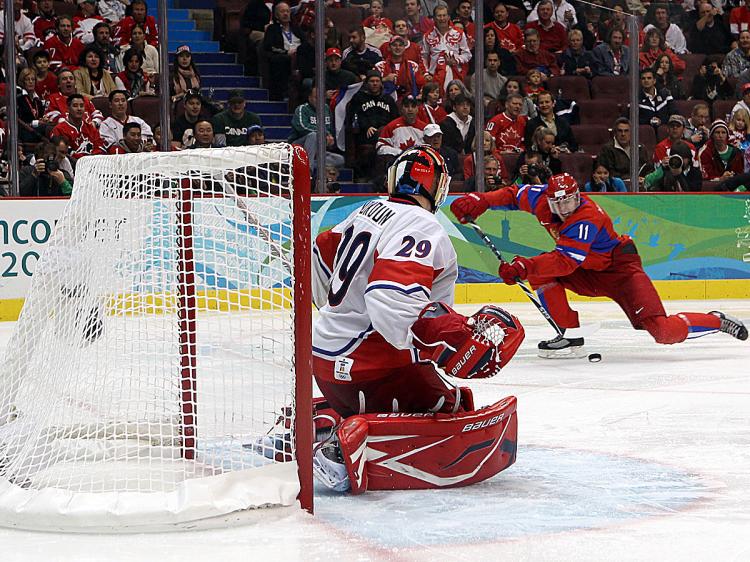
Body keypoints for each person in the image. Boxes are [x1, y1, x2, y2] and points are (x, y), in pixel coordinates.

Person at [311, 145, 524, 494]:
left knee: (437, 388)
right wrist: (453, 338)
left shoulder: (366, 211)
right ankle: (346, 445)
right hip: (373, 371)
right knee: (453, 407)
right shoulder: (422, 225)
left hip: (325, 365)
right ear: (438, 187)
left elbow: (320, 256)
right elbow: (391, 300)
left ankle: (327, 419)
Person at [450, 173, 747, 358]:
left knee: (662, 331)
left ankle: (715, 320)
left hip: (620, 269)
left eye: (572, 200)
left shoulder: (587, 216)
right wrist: (482, 200)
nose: (568, 207)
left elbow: (565, 262)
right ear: (550, 201)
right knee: (542, 275)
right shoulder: (541, 198)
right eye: (561, 203)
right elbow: (513, 195)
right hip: (588, 270)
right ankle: (569, 333)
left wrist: (524, 267)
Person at [289, 85, 345, 179]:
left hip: (318, 152)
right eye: (316, 97)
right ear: (309, 97)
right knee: (313, 135)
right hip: (298, 147)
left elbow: (329, 129)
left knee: (340, 160)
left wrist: (329, 139)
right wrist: (324, 134)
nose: (319, 100)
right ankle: (307, 172)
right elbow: (302, 127)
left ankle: (310, 164)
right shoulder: (302, 109)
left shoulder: (326, 109)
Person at [422, 4, 471, 94]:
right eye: (439, 16)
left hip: (455, 76)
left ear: (448, 17)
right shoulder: (427, 36)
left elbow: (467, 54)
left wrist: (455, 60)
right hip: (434, 77)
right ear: (434, 18)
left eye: (444, 15)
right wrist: (426, 73)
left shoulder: (459, 33)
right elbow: (423, 57)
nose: (442, 18)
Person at [261, 2, 303, 101]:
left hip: (299, 55)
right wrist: (285, 52)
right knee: (281, 61)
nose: (285, 14)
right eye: (282, 11)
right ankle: (284, 93)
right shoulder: (272, 29)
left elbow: (305, 43)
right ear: (276, 15)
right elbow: (269, 47)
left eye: (287, 11)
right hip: (283, 55)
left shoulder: (296, 28)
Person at [50, 94, 106, 159]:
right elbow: (65, 153)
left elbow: (99, 146)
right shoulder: (59, 129)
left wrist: (94, 158)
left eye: (81, 106)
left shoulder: (90, 128)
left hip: (93, 162)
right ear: (68, 108)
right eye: (75, 106)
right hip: (73, 165)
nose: (79, 109)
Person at [374, 35, 427, 101]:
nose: (397, 48)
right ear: (389, 48)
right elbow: (371, 85)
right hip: (385, 103)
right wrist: (385, 79)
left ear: (404, 48)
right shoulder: (379, 66)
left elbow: (421, 84)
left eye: (400, 45)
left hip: (408, 104)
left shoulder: (413, 66)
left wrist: (420, 95)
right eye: (394, 45)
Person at [376, 94, 426, 163]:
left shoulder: (424, 128)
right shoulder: (391, 127)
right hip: (397, 163)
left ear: (417, 109)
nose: (410, 109)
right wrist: (399, 152)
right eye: (406, 106)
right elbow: (380, 147)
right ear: (401, 109)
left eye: (413, 106)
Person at [698, 119, 746, 186]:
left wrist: (732, 177)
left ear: (727, 135)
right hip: (713, 188)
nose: (720, 136)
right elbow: (705, 178)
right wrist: (720, 179)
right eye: (717, 132)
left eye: (723, 132)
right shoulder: (705, 153)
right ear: (712, 135)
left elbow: (741, 174)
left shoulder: (736, 153)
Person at [16, 69, 50, 145]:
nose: (31, 82)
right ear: (23, 82)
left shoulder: (37, 100)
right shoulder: (18, 99)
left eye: (33, 79)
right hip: (25, 131)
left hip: (38, 131)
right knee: (48, 129)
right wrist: (36, 122)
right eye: (27, 79)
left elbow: (39, 115)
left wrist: (43, 119)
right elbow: (19, 122)